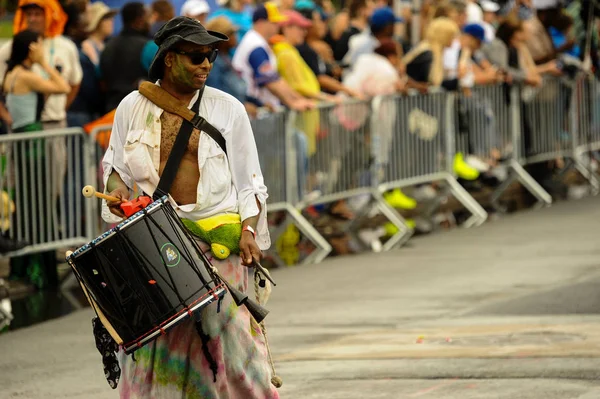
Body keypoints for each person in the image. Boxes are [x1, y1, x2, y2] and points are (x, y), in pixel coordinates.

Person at [101, 16, 279, 397]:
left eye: (211, 56)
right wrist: (117, 194)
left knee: (230, 344)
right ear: (168, 58)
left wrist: (249, 230)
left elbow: (251, 182)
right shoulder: (131, 107)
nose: (206, 65)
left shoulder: (227, 108)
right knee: (157, 348)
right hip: (157, 242)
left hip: (218, 240)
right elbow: (114, 169)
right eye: (196, 56)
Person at [2, 30, 70, 289]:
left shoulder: (13, 74)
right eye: (40, 45)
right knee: (39, 200)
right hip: (32, 141)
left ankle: (29, 264)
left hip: (24, 138)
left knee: (31, 199)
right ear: (32, 48)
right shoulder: (27, 75)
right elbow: (62, 87)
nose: (44, 48)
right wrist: (43, 63)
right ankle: (38, 269)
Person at [232, 2, 314, 111]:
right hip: (254, 108)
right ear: (261, 22)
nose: (278, 25)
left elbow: (275, 78)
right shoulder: (255, 44)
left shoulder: (258, 42)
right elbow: (269, 81)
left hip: (259, 108)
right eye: (274, 22)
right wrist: (292, 103)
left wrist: (298, 99)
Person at [68, 1, 116, 127]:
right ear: (97, 22)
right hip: (89, 108)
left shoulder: (105, 46)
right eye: (106, 18)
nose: (111, 22)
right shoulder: (87, 47)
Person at [100, 1, 151, 112]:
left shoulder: (107, 47)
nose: (150, 22)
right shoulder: (149, 47)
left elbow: (101, 82)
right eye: (147, 17)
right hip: (138, 111)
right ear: (139, 20)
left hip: (111, 111)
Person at [205, 16, 259, 117]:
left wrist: (259, 103)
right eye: (231, 33)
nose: (235, 37)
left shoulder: (227, 58)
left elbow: (240, 94)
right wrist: (243, 105)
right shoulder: (213, 64)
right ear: (222, 39)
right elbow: (216, 94)